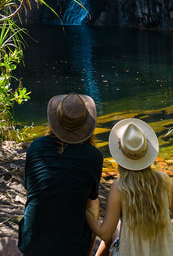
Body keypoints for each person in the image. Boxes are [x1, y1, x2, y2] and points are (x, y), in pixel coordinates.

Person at [85, 118, 173, 256]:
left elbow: (105, 233)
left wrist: (86, 212)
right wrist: (161, 236)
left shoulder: (119, 187)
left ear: (121, 156)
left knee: (114, 228)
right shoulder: (165, 180)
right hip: (166, 252)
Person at [18, 92, 104, 256]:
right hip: (72, 248)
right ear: (86, 125)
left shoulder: (36, 147)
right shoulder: (94, 156)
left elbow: (30, 193)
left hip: (31, 244)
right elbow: (89, 199)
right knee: (94, 203)